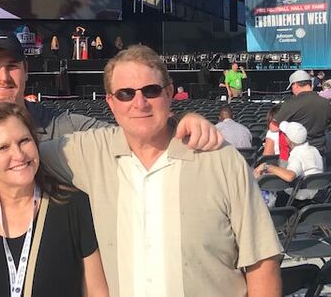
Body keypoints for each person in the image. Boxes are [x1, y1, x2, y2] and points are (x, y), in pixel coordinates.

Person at [0, 30, 223, 236]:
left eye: (12, 66)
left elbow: (133, 130)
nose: (4, 77)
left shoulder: (61, 124)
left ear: (26, 71)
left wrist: (179, 123)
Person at [38, 45, 281, 296]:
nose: (139, 103)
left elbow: (262, 261)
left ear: (169, 93)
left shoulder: (220, 159)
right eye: (125, 94)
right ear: (110, 101)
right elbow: (14, 154)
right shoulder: (89, 153)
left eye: (151, 91)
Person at [0, 103, 108, 297]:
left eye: (24, 141)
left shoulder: (73, 206)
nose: (19, 155)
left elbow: (97, 291)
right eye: (3, 148)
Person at [254, 121, 324, 208]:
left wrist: (267, 166)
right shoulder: (314, 150)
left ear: (288, 139)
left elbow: (290, 176)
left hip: (296, 200)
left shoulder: (297, 155)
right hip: (316, 197)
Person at [275, 69, 331, 167]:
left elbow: (274, 127)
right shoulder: (325, 103)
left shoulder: (290, 103)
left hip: (296, 155)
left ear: (295, 85)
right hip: (319, 153)